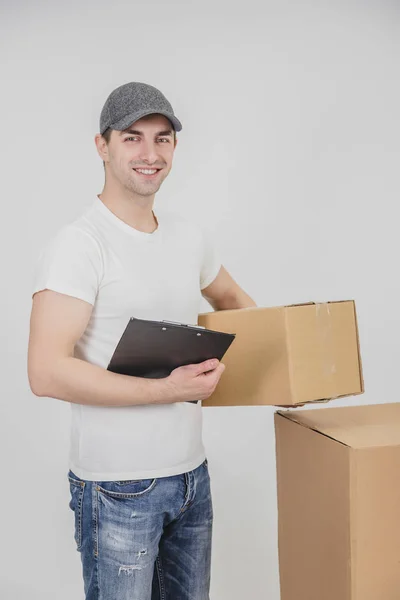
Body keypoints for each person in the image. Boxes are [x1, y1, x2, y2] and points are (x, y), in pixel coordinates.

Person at [27, 81, 257, 600]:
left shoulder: (188, 236)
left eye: (163, 138)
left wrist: (276, 366)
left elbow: (238, 306)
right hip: (117, 486)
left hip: (191, 477)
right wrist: (166, 390)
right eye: (131, 138)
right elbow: (45, 372)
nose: (150, 154)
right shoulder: (78, 245)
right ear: (101, 146)